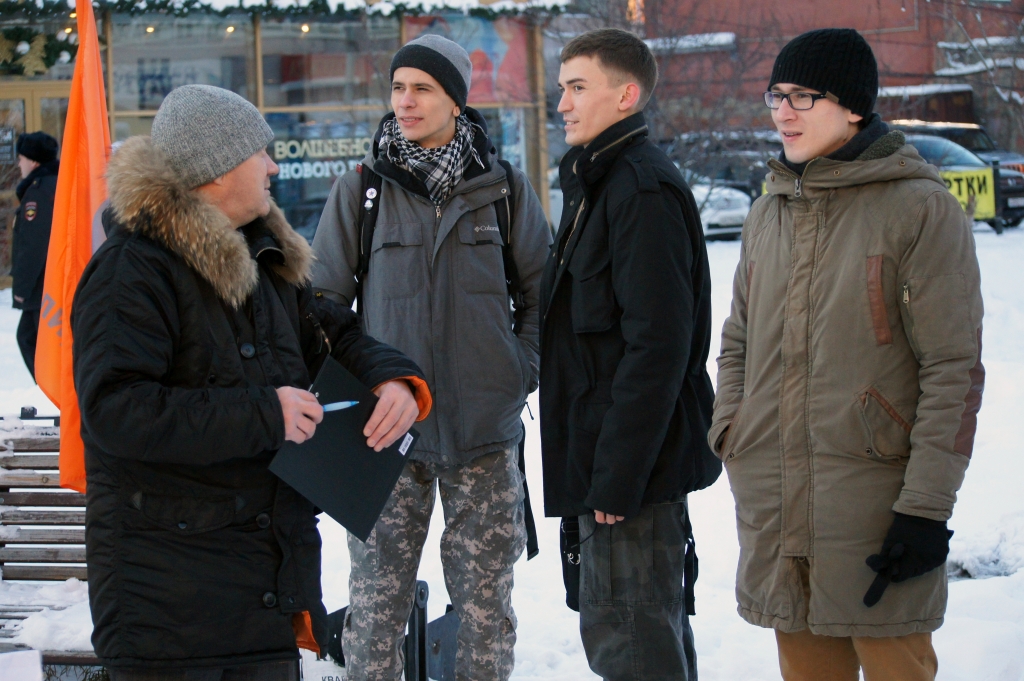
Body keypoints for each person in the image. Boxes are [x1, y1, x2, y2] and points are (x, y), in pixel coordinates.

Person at [71, 85, 431, 680]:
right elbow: (117, 411)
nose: (274, 165)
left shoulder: (263, 260)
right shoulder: (129, 272)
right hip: (169, 617)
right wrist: (265, 413)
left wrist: (393, 380)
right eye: (259, 152)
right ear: (214, 169)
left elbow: (332, 336)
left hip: (261, 597)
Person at [710, 29, 984, 681]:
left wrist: (924, 509)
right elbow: (738, 340)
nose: (782, 111)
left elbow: (954, 372)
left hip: (876, 512)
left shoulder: (921, 209)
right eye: (776, 95)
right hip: (779, 506)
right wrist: (732, 430)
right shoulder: (767, 212)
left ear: (855, 105)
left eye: (804, 96)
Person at [311, 34, 551, 681]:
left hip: (484, 431)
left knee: (485, 614)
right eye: (398, 88)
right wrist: (366, 389)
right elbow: (323, 306)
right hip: (386, 436)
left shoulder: (504, 191)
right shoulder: (361, 190)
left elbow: (543, 297)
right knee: (375, 611)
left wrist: (516, 370)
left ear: (455, 100)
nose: (406, 101)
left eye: (422, 88)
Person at [539, 28, 721, 680]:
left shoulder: (639, 190)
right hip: (606, 463)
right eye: (561, 87)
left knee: (634, 646)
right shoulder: (598, 181)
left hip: (629, 477)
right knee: (639, 635)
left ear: (626, 94)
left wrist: (616, 475)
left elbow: (658, 348)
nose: (561, 102)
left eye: (577, 87)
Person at [10, 131, 59, 380]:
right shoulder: (52, 184)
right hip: (49, 284)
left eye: (21, 158)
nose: (19, 164)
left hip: (42, 288)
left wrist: (22, 287)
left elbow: (34, 244)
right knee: (30, 338)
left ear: (34, 161)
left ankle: (60, 395)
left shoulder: (38, 192)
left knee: (37, 343)